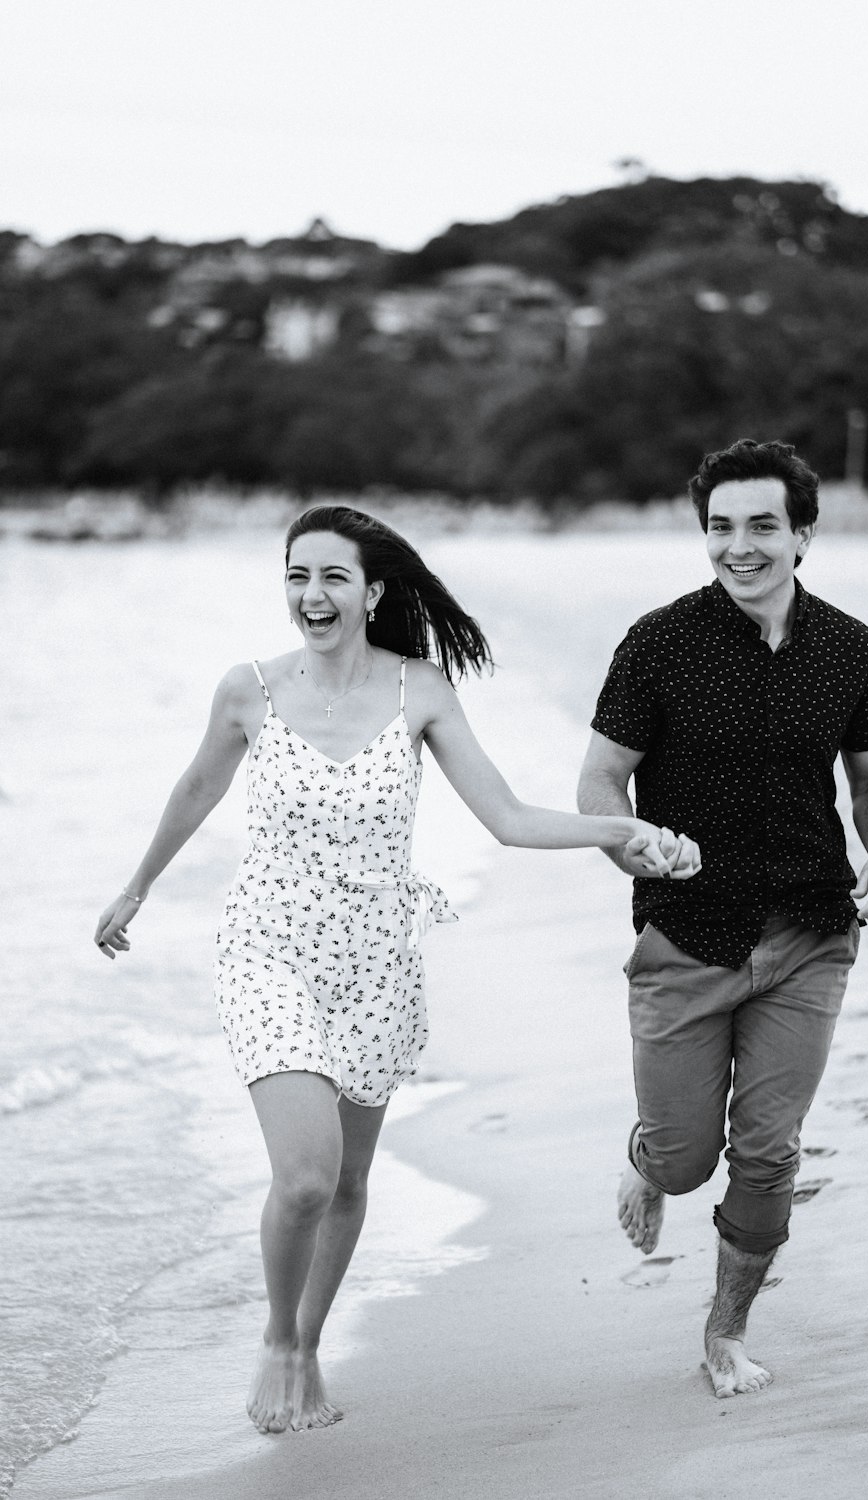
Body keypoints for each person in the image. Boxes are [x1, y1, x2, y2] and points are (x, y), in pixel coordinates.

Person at [94, 504, 699, 1436]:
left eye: (333, 576)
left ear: (373, 592)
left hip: (379, 964)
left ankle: (309, 1342)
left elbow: (507, 816)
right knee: (303, 1175)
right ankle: (276, 1340)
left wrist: (620, 831)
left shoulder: (421, 689)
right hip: (269, 950)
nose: (311, 594)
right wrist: (136, 887)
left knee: (345, 1184)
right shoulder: (248, 689)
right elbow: (196, 788)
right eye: (297, 575)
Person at [577, 439, 868, 1399]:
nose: (739, 546)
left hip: (811, 934)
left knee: (768, 1151)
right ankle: (648, 1159)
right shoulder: (659, 642)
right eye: (721, 526)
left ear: (803, 534)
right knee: (687, 1162)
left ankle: (725, 1331)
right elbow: (602, 777)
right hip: (687, 936)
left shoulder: (849, 647)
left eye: (762, 525)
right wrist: (630, 840)